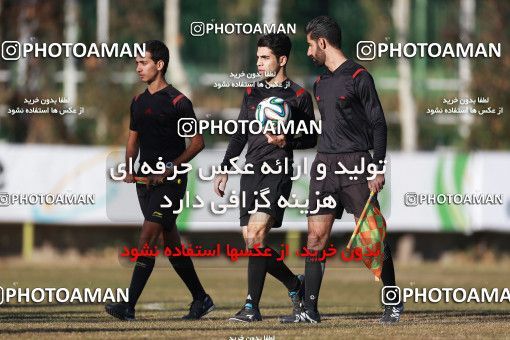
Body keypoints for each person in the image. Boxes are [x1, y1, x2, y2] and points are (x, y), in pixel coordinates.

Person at [280, 16, 403, 324]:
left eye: (310, 45)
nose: (308, 53)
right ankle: (309, 310)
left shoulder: (360, 76)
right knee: (314, 238)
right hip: (325, 165)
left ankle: (392, 302)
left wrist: (377, 167)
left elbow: (378, 124)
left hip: (356, 164)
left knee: (372, 238)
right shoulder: (319, 83)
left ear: (322, 42)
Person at [105, 40, 214, 321]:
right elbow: (132, 142)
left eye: (144, 63)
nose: (139, 68)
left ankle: (128, 306)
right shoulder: (138, 102)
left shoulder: (179, 102)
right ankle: (201, 299)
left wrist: (170, 167)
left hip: (171, 182)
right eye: (137, 64)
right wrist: (129, 168)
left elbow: (198, 143)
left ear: (160, 65)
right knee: (171, 242)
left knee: (147, 237)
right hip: (145, 181)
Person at [213, 33, 317, 322]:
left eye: (265, 57)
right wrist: (224, 167)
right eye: (258, 57)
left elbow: (311, 137)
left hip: (277, 172)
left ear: (281, 60)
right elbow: (239, 134)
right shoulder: (251, 93)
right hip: (251, 172)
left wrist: (287, 142)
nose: (258, 63)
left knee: (257, 236)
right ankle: (295, 285)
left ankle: (250, 307)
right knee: (252, 242)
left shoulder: (298, 97)